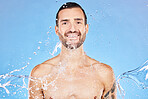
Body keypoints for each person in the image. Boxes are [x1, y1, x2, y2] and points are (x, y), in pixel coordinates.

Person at [28, 2, 116, 99]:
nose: (72, 29)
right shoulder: (40, 74)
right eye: (65, 23)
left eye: (78, 22)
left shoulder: (104, 73)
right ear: (57, 30)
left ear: (86, 28)